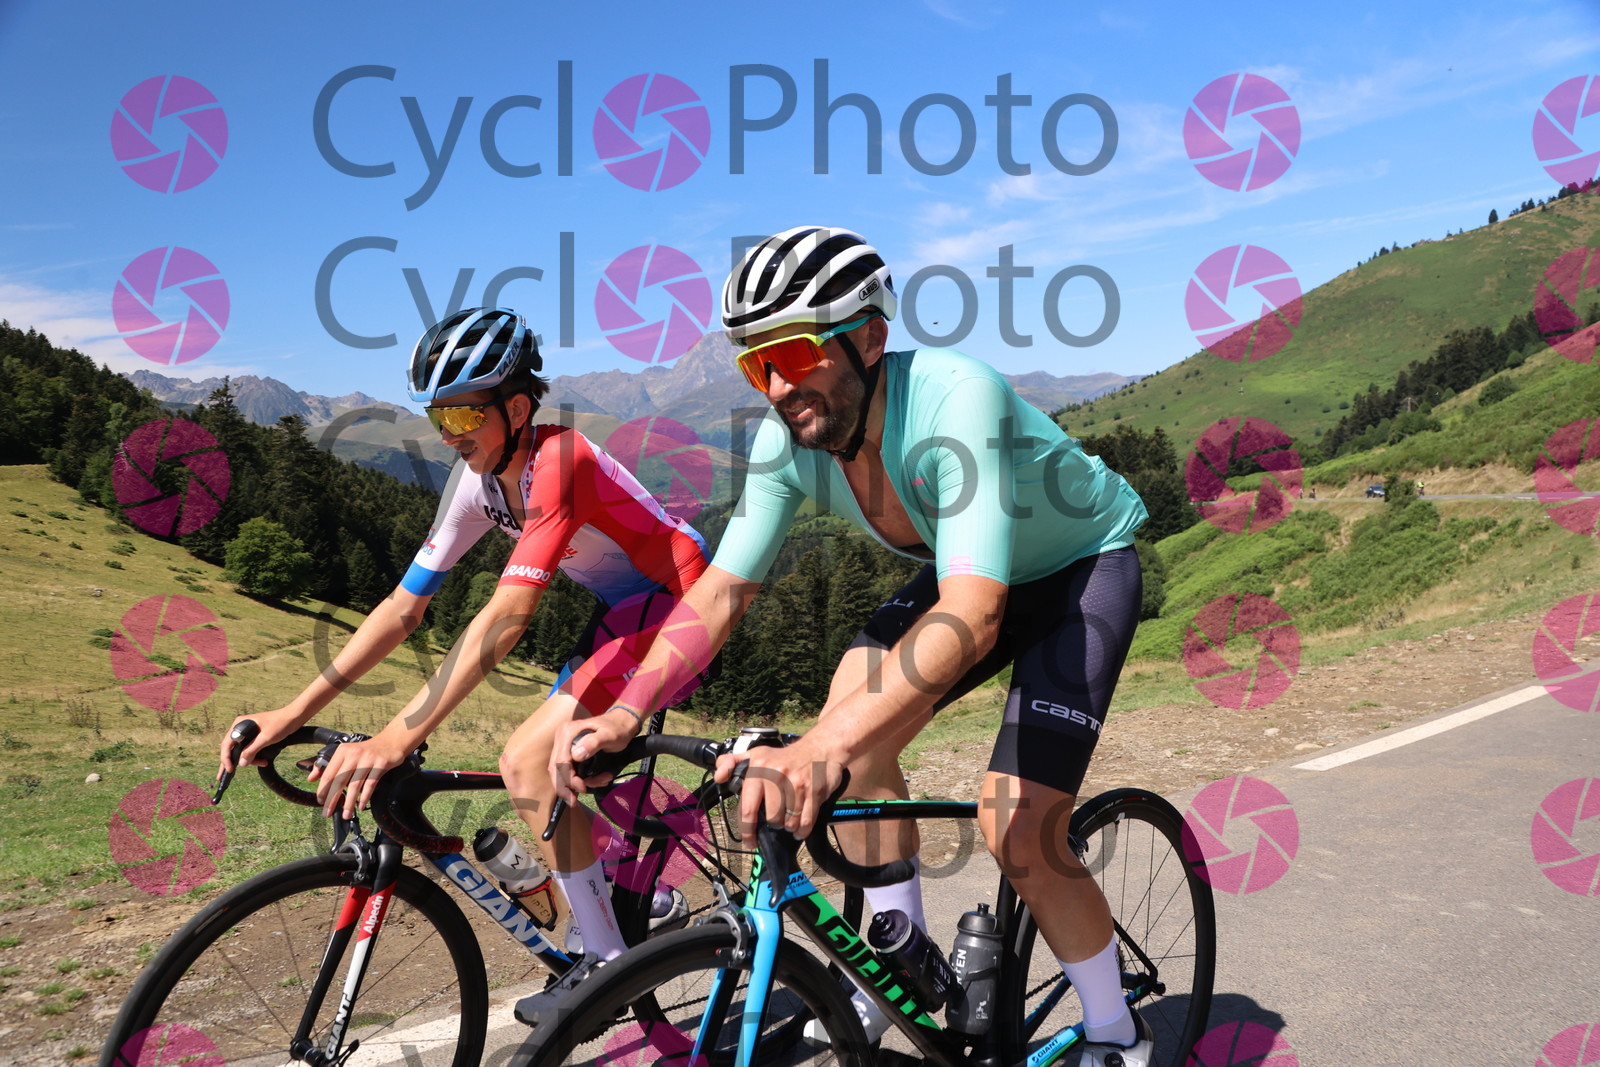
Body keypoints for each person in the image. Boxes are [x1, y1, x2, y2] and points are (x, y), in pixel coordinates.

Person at [551, 227, 1156, 1065]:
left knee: (1018, 827)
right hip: (978, 573)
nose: (777, 385)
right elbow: (721, 591)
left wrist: (819, 747)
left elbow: (974, 612)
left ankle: (1117, 1030)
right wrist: (625, 711)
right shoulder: (789, 441)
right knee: (853, 707)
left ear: (870, 337)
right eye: (755, 365)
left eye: (794, 353)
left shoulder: (954, 401)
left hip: (1078, 569)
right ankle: (898, 971)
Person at [217, 307, 713, 1019]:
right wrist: (290, 712)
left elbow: (508, 615)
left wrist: (396, 736)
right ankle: (635, 892)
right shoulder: (479, 481)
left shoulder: (562, 461)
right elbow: (402, 608)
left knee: (527, 758)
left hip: (682, 604)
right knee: (550, 770)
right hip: (622, 611)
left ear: (517, 409)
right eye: (437, 417)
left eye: (461, 415)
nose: (449, 435)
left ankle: (606, 970)